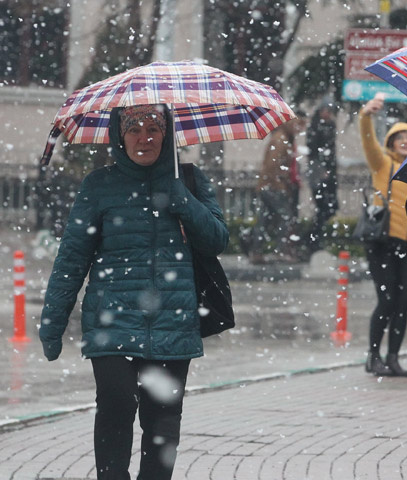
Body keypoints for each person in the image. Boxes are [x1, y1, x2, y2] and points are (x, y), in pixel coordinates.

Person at [39, 104, 230, 480]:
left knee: (162, 424)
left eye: (154, 128)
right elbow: (72, 259)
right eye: (134, 129)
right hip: (112, 322)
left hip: (173, 324)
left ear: (167, 133)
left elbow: (217, 240)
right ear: (119, 136)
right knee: (115, 404)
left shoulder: (187, 179)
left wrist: (182, 200)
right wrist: (53, 321)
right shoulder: (99, 185)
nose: (145, 137)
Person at [359, 93, 407, 377]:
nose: (405, 141)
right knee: (387, 301)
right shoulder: (383, 164)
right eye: (399, 137)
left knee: (403, 305)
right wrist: (366, 116)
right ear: (391, 142)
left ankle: (392, 357)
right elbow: (368, 142)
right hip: (383, 243)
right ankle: (373, 357)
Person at [246, 114, 307, 264]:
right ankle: (280, 252)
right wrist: (281, 184)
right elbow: (273, 166)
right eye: (298, 126)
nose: (299, 131)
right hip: (272, 186)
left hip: (268, 185)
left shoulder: (281, 137)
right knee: (285, 217)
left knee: (265, 219)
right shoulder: (281, 139)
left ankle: (257, 251)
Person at [306, 98, 339, 251]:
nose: (328, 114)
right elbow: (313, 150)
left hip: (329, 170)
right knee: (323, 206)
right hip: (320, 172)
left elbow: (330, 150)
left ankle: (313, 237)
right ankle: (313, 239)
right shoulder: (316, 127)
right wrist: (322, 169)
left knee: (330, 206)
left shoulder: (330, 125)